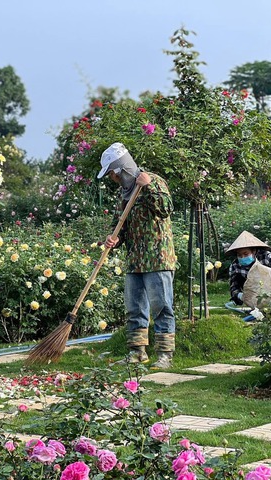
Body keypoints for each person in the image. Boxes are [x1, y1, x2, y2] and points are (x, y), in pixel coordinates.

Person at [98, 142, 177, 369]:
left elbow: (166, 208)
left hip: (157, 258)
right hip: (135, 259)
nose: (112, 179)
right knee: (134, 307)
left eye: (112, 175)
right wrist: (114, 238)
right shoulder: (125, 193)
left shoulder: (152, 181)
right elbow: (119, 224)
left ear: (121, 170)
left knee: (162, 306)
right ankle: (137, 352)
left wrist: (150, 187)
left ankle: (165, 354)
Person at [226, 231, 271, 305]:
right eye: (239, 255)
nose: (242, 257)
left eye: (245, 254)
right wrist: (239, 296)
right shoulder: (235, 265)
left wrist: (267, 277)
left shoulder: (265, 256)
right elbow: (233, 286)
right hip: (251, 290)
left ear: (254, 251)